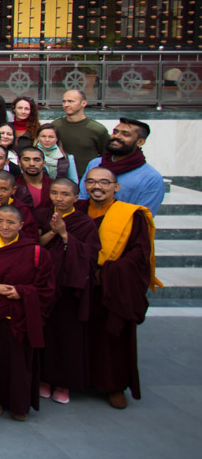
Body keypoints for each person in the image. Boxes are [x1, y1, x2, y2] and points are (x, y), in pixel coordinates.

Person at [81, 166, 162, 409]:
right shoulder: (78, 210)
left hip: (112, 286)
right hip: (82, 284)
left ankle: (113, 385)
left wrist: (108, 271)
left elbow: (139, 254)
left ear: (116, 187)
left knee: (111, 338)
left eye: (104, 182)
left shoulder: (130, 215)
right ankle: (79, 379)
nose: (98, 187)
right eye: (92, 182)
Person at [0, 205, 55, 420]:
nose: (4, 226)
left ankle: (18, 404)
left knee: (18, 361)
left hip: (20, 312)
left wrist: (23, 292)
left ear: (21, 225)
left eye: (11, 223)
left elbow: (47, 287)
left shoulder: (35, 252)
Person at [34, 177, 99, 405]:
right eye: (54, 193)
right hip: (44, 284)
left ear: (75, 197)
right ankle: (43, 380)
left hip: (70, 288)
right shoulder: (41, 215)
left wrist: (64, 234)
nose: (58, 199)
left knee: (68, 337)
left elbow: (90, 255)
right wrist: (53, 232)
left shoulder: (84, 222)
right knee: (45, 334)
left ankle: (64, 384)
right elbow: (34, 245)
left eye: (64, 195)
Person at [79, 118, 165, 215]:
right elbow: (82, 199)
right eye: (115, 132)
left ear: (140, 142)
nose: (116, 137)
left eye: (125, 134)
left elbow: (143, 217)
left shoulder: (151, 178)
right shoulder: (95, 164)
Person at [51, 89, 109, 178]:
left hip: (88, 180)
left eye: (71, 101)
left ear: (84, 103)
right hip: (61, 180)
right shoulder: (55, 126)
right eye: (64, 101)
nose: (66, 105)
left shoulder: (97, 129)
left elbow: (106, 157)